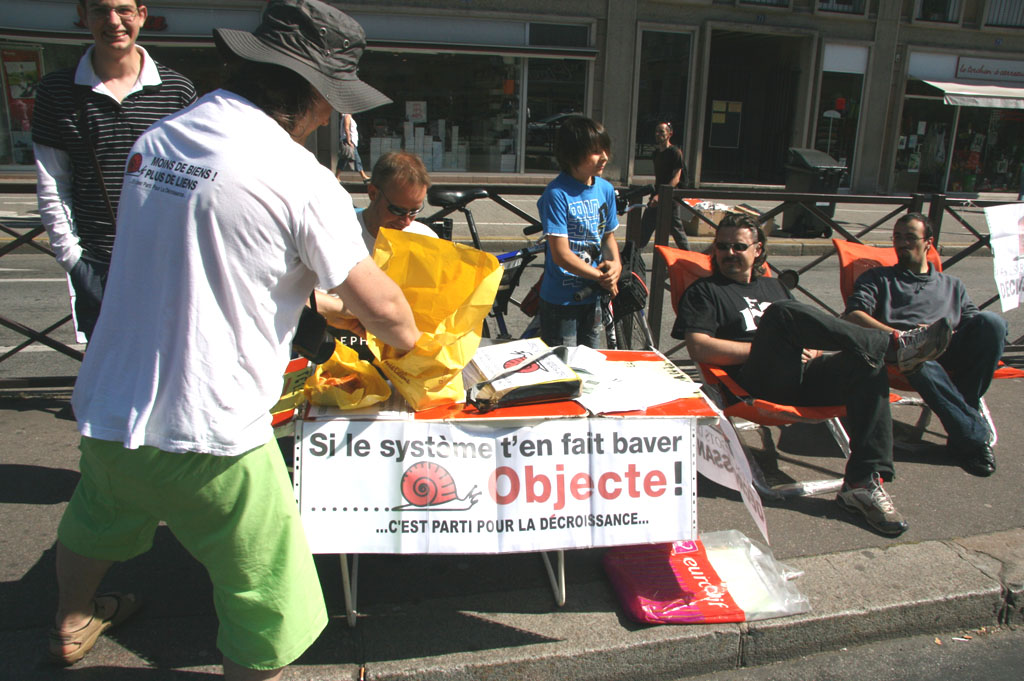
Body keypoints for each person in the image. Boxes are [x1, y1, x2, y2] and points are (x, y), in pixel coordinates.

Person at [49, 2, 420, 679]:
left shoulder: (158, 141)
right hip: (211, 429)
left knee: (94, 520)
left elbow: (207, 257)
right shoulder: (301, 178)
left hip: (110, 407)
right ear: (312, 96)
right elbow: (389, 312)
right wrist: (404, 327)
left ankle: (73, 619)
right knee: (270, 602)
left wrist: (309, 296)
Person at [672, 213, 952, 537]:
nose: (729, 253)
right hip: (757, 382)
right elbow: (699, 348)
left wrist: (813, 350)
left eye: (738, 246)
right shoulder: (704, 291)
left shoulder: (774, 285)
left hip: (803, 375)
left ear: (757, 249)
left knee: (866, 364)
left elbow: (812, 330)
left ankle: (862, 484)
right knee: (781, 314)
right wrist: (769, 346)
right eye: (722, 246)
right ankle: (894, 346)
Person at [32, 0, 196, 340]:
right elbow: (53, 180)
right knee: (105, 375)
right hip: (97, 261)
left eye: (122, 10)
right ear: (82, 16)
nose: (113, 21)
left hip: (167, 261)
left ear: (141, 14)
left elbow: (197, 180)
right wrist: (72, 258)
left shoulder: (177, 90)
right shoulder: (57, 91)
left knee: (168, 369)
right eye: (99, 10)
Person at [843, 212, 1008, 477]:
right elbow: (853, 315)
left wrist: (940, 335)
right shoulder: (877, 279)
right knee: (921, 359)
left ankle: (964, 426)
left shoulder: (952, 285)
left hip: (948, 347)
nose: (901, 243)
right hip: (905, 351)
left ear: (928, 242)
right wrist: (902, 335)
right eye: (897, 237)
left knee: (993, 324)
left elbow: (974, 327)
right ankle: (974, 439)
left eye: (910, 237)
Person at [536, 115, 621, 348]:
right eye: (595, 151)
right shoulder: (557, 194)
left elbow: (608, 237)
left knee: (588, 365)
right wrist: (602, 277)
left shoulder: (605, 189)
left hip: (593, 296)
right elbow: (561, 255)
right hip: (561, 301)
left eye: (605, 149)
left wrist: (616, 266)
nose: (604, 157)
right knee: (563, 370)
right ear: (572, 154)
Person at [357, 150, 437, 252]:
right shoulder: (339, 237)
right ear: (373, 193)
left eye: (414, 211)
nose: (406, 222)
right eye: (397, 210)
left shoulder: (426, 241)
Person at [640, 120, 689, 250]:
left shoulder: (675, 152)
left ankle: (690, 260)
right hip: (657, 195)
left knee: (677, 232)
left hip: (669, 198)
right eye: (656, 132)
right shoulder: (656, 153)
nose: (658, 134)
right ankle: (632, 260)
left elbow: (676, 177)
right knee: (644, 229)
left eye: (661, 132)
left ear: (670, 134)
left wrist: (661, 196)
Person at [335, 112, 369, 182]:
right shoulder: (347, 116)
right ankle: (363, 176)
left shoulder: (347, 116)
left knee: (344, 159)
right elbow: (347, 128)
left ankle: (337, 176)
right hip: (349, 141)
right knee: (356, 159)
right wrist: (349, 141)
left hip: (348, 141)